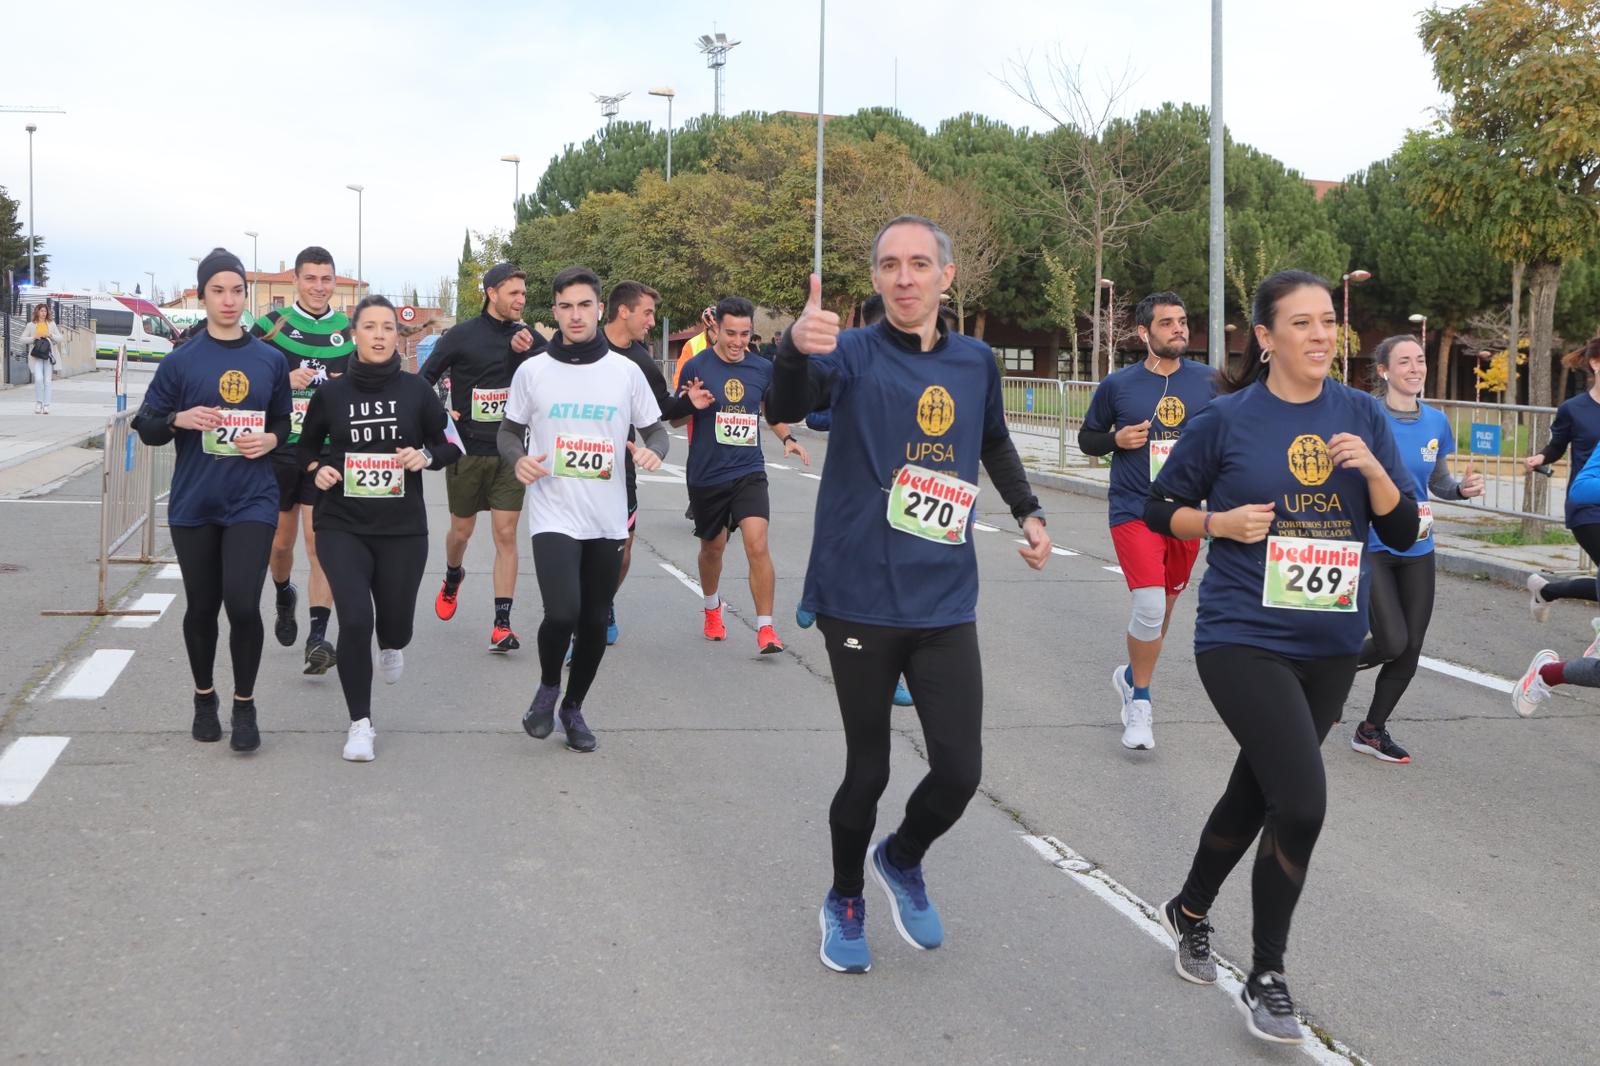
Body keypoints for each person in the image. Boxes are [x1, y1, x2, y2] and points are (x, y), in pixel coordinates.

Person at [768, 215, 1052, 976]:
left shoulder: (976, 362)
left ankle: (902, 855)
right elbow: (784, 402)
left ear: (945, 277)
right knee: (870, 768)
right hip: (859, 593)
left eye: (919, 264)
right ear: (876, 278)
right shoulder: (851, 353)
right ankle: (845, 896)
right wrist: (794, 346)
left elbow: (992, 439)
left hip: (944, 595)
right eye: (890, 265)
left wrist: (1029, 510)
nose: (904, 277)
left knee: (960, 769)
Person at [1143, 270, 1416, 1044]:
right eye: (1302, 323)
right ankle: (1268, 973)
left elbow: (1398, 534)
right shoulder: (1226, 420)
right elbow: (1156, 507)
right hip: (1242, 636)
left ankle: (1189, 908)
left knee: (1260, 788)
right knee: (1301, 799)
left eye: (1329, 321)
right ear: (1265, 338)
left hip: (1330, 640)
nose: (1322, 335)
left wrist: (1374, 476)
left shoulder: (1362, 414)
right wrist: (1219, 524)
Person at [498, 267, 670, 753]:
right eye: (565, 306)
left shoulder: (626, 371)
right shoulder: (533, 371)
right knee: (562, 613)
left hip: (607, 516)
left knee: (594, 621)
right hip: (554, 511)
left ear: (599, 309)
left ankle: (572, 708)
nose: (575, 315)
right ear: (553, 311)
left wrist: (656, 450)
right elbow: (508, 432)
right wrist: (518, 461)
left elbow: (655, 429)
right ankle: (549, 684)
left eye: (584, 305)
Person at [132, 248, 293, 752]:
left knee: (243, 603)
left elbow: (283, 425)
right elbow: (147, 425)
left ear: (247, 296)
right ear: (202, 296)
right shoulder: (181, 361)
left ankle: (245, 705)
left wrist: (269, 441)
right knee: (203, 606)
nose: (228, 300)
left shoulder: (270, 360)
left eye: (237, 290)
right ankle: (205, 697)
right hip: (196, 503)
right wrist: (180, 419)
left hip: (253, 499)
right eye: (218, 290)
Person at [297, 295, 461, 761]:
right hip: (341, 524)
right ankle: (360, 725)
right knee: (354, 620)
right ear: (354, 335)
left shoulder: (417, 392)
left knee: (395, 624)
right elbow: (306, 450)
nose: (379, 335)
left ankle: (393, 644)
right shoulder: (331, 394)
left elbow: (451, 445)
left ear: (397, 335)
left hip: (402, 528)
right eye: (369, 327)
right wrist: (316, 470)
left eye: (387, 327)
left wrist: (425, 456)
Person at [1078, 291, 1215, 750]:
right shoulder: (1119, 386)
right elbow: (1087, 440)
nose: (1179, 329)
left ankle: (1129, 674)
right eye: (1167, 323)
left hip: (1184, 514)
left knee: (1164, 611)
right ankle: (1141, 702)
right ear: (1144, 333)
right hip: (1134, 510)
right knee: (1151, 606)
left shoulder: (1210, 382)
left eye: (1182, 320)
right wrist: (1116, 438)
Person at [1353, 335, 1484, 762]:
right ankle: (1326, 668)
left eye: (1421, 360)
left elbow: (1437, 482)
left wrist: (1460, 490)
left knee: (1410, 646)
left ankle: (1372, 730)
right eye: (1404, 361)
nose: (1415, 368)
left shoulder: (1436, 422)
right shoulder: (1366, 415)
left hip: (1417, 546)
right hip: (1371, 543)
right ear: (1385, 371)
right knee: (1391, 640)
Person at [794, 292, 912, 709]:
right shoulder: (850, 360)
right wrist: (847, 408)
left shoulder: (923, 367)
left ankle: (896, 673)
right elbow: (812, 414)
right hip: (858, 481)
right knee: (846, 552)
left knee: (897, 578)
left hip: (907, 488)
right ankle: (815, 592)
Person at [421, 263, 544, 652]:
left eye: (524, 294)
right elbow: (424, 380)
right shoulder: (461, 336)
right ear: (491, 292)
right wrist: (441, 414)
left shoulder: (529, 339)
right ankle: (453, 575)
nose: (521, 300)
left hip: (510, 451)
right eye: (514, 293)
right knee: (461, 533)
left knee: (506, 534)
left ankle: (501, 625)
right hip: (468, 451)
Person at [677, 296, 809, 653]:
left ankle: (765, 629)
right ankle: (711, 607)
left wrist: (788, 437)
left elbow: (771, 411)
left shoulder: (762, 368)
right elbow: (673, 417)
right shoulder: (696, 366)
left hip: (749, 469)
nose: (738, 342)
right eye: (730, 333)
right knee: (713, 548)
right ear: (716, 329)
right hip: (707, 472)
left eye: (745, 334)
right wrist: (690, 403)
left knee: (757, 542)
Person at [251, 246, 349, 674]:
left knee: (318, 542)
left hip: (325, 451)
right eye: (310, 278)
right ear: (295, 281)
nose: (318, 287)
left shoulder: (349, 330)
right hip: (279, 448)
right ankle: (283, 592)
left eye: (326, 279)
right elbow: (240, 383)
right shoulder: (269, 326)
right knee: (280, 544)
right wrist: (280, 380)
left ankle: (317, 636)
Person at [601, 281, 713, 644]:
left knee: (623, 548)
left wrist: (688, 403)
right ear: (624, 311)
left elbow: (661, 409)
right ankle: (580, 615)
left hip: (620, 468)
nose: (652, 320)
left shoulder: (641, 359)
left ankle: (604, 604)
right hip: (574, 469)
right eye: (647, 312)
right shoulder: (583, 348)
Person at [1525, 337, 1600, 620]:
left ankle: (1547, 591)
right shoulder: (1574, 408)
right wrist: (1541, 457)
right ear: (1595, 364)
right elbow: (1558, 445)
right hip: (1587, 507)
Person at [25, 303, 63, 414]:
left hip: (48, 356)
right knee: (38, 379)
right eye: (41, 311)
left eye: (45, 311)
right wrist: (33, 338)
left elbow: (60, 338)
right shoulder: (31, 325)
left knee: (47, 381)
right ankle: (38, 403)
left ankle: (46, 405)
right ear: (37, 312)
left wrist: (51, 335)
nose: (43, 313)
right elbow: (22, 339)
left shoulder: (51, 324)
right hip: (36, 356)